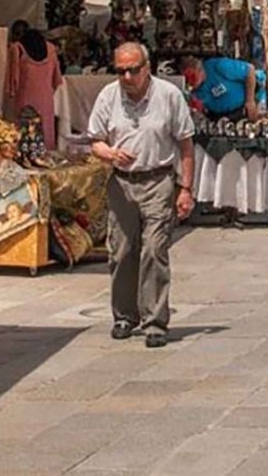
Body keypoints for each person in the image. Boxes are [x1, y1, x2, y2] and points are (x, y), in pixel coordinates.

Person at [87, 42, 196, 348]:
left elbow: (186, 145)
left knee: (154, 250)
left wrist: (185, 188)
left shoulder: (168, 96)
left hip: (158, 181)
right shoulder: (108, 96)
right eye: (121, 70)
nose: (127, 76)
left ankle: (155, 321)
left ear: (146, 68)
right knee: (121, 251)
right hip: (121, 183)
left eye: (133, 70)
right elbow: (94, 139)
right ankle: (124, 316)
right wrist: (108, 152)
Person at [6, 27, 64, 150]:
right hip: (46, 102)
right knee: (45, 137)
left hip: (24, 101)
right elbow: (57, 79)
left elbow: (12, 81)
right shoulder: (51, 49)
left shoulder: (16, 49)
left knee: (25, 139)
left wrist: (11, 93)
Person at [180, 55, 264, 122]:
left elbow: (250, 71)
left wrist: (250, 101)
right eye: (187, 80)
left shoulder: (219, 66)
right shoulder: (195, 92)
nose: (190, 83)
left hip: (258, 96)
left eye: (192, 77)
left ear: (198, 70)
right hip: (230, 117)